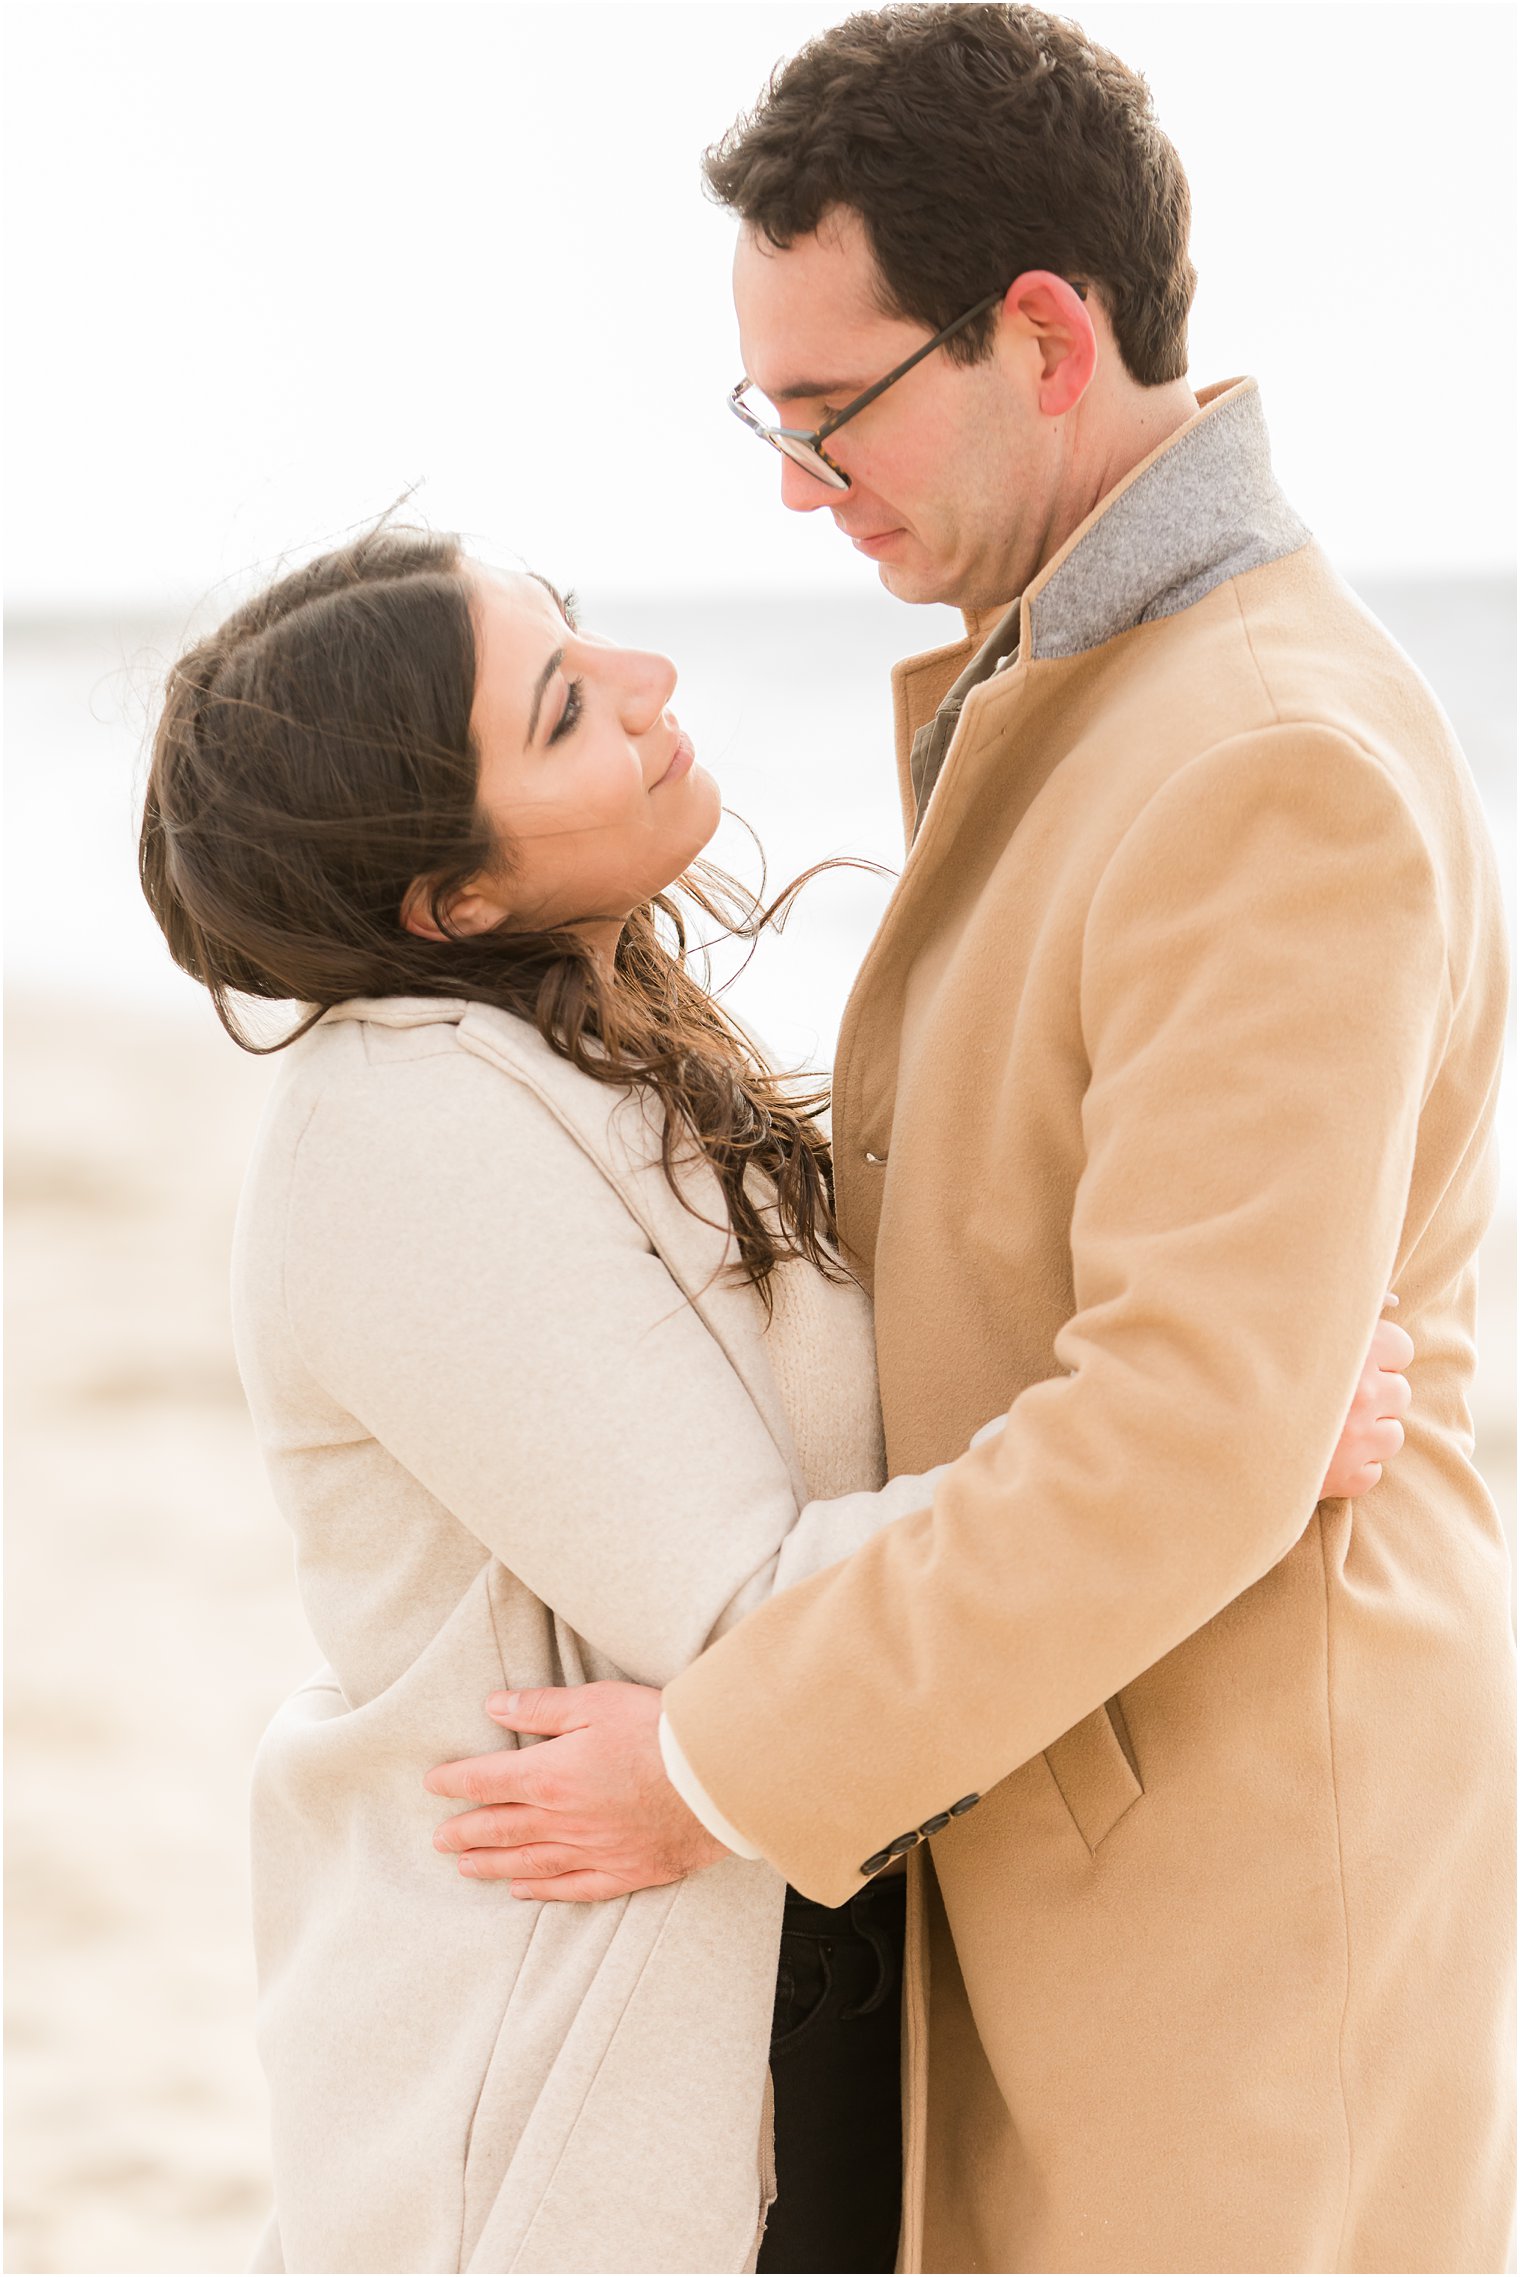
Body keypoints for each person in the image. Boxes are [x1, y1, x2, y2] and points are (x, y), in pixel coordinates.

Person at [425, 7, 1516, 2272]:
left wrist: (709, 1758)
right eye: (772, 415)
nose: (797, 488)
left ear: (1039, 332)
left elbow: (1185, 1426)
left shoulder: (1260, 754)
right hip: (1064, 1807)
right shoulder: (1094, 685)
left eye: (829, 412)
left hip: (1228, 1874)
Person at [140, 529, 1401, 2276]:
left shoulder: (593, 1044)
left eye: (583, 642)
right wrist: (1209, 1450)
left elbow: (860, 1454)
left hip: (784, 1988)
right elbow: (747, 1612)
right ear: (452, 900)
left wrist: (1208, 1392)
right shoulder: (402, 1138)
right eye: (569, 711)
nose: (650, 688)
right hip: (574, 2079)